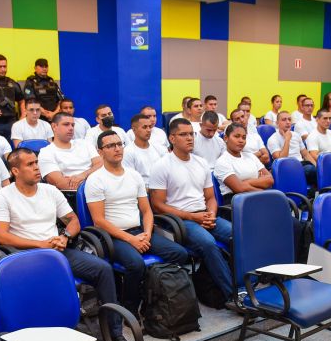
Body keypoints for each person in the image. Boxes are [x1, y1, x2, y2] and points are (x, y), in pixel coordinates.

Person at [0, 148, 135, 341]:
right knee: (55, 281)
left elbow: (73, 220)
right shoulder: (3, 196)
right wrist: (39, 244)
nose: (36, 168)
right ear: (15, 170)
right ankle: (54, 340)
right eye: (30, 164)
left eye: (36, 163)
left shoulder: (50, 191)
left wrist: (65, 237)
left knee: (103, 270)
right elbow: (1, 236)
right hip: (26, 258)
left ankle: (114, 333)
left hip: (58, 251)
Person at [85, 130, 189, 318]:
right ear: (100, 152)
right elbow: (99, 221)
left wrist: (147, 234)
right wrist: (131, 240)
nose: (117, 149)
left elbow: (147, 211)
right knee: (136, 265)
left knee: (179, 253)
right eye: (110, 146)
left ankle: (155, 296)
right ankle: (129, 309)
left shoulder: (134, 175)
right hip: (112, 237)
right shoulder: (95, 180)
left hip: (140, 231)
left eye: (119, 144)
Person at [149, 118, 234, 302]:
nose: (190, 138)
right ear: (172, 138)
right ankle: (233, 295)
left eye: (191, 134)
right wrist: (193, 217)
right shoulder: (162, 165)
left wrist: (210, 214)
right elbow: (157, 205)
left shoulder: (201, 162)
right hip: (180, 221)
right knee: (209, 243)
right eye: (183, 135)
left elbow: (211, 197)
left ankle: (245, 284)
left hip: (204, 214)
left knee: (238, 235)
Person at [39, 112, 101, 202]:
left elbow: (101, 164)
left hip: (100, 191)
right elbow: (61, 184)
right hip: (73, 199)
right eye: (66, 124)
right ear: (54, 126)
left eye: (72, 125)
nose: (71, 128)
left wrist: (82, 176)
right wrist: (93, 175)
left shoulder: (84, 143)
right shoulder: (46, 152)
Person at [214, 123, 273, 200]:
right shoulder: (222, 161)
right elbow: (239, 189)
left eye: (244, 137)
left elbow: (269, 179)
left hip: (256, 198)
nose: (241, 140)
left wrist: (246, 182)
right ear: (226, 138)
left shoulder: (251, 156)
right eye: (237, 136)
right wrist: (263, 192)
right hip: (237, 203)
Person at [123, 113, 167, 187]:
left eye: (150, 127)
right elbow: (130, 180)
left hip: (161, 188)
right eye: (144, 127)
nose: (148, 130)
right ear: (134, 129)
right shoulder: (127, 152)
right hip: (142, 192)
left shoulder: (159, 148)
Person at [23, 58, 64, 122]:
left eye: (46, 66)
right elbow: (30, 101)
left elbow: (61, 100)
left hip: (54, 117)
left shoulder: (52, 82)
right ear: (35, 68)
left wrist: (54, 113)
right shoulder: (30, 82)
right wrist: (45, 114)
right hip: (38, 117)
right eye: (42, 67)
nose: (44, 69)